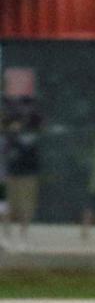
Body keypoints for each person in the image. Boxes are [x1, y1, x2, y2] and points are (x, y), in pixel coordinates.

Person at [1, 93, 43, 247]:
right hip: (10, 171)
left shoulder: (34, 123)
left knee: (25, 204)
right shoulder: (10, 123)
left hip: (26, 171)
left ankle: (22, 234)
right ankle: (7, 234)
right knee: (7, 204)